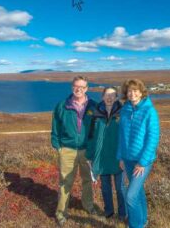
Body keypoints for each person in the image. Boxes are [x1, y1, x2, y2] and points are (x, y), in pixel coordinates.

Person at [51, 76, 97, 227]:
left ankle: (88, 206)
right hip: (67, 150)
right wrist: (58, 147)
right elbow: (55, 128)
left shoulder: (94, 106)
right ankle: (61, 213)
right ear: (72, 87)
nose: (79, 89)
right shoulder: (62, 106)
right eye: (76, 86)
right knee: (65, 182)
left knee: (87, 180)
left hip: (87, 150)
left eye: (82, 87)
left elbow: (98, 129)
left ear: (87, 88)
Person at [117, 79, 160, 228]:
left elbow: (152, 138)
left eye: (135, 90)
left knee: (130, 196)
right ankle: (143, 221)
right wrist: (120, 156)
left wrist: (142, 162)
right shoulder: (125, 109)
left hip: (142, 161)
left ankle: (135, 225)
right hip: (127, 159)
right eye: (129, 91)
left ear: (141, 92)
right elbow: (121, 135)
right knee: (138, 193)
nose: (132, 93)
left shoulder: (149, 111)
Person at [86, 87, 127, 221]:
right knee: (105, 187)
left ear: (116, 97)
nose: (109, 98)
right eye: (107, 95)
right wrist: (90, 156)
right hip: (101, 156)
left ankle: (122, 214)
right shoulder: (95, 113)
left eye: (112, 95)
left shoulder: (123, 112)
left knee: (120, 188)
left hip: (118, 156)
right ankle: (109, 212)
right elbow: (90, 136)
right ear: (102, 96)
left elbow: (127, 136)